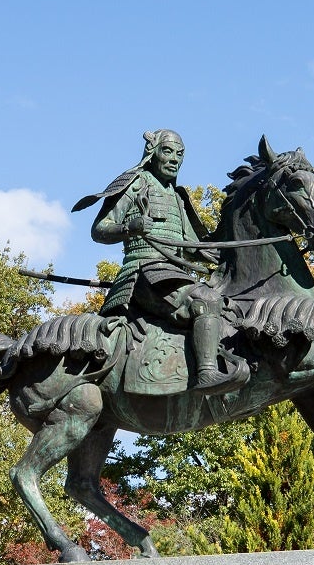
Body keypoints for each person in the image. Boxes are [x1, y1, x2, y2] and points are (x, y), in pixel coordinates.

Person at [72, 129, 240, 393]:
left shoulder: (177, 196)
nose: (174, 159)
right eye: (168, 151)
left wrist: (232, 251)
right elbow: (99, 230)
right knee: (205, 301)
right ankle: (206, 374)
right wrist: (130, 227)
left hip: (173, 274)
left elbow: (192, 247)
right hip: (143, 272)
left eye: (180, 154)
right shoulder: (136, 184)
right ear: (152, 153)